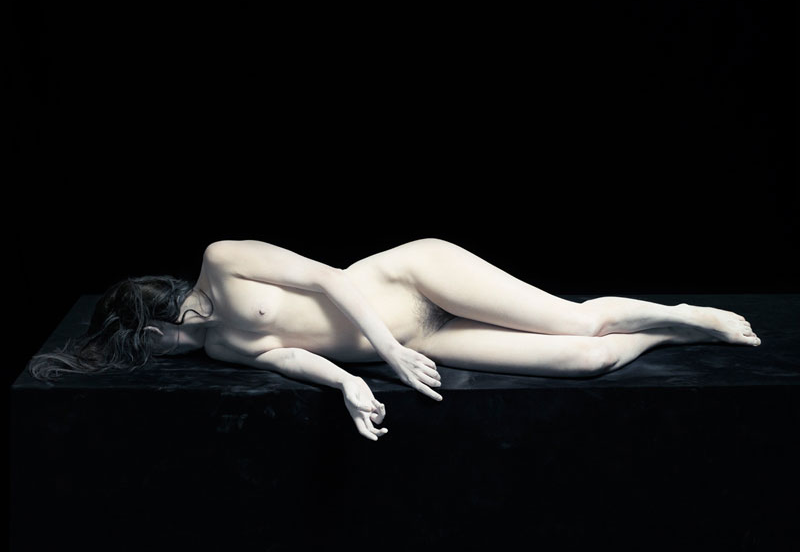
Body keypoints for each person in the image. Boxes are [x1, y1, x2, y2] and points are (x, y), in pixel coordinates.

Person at [29, 238, 760, 441]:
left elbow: (329, 280)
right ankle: (663, 334)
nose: (155, 358)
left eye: (147, 347)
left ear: (153, 322)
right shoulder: (218, 347)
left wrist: (386, 349)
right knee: (587, 359)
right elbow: (289, 356)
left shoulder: (221, 261)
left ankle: (683, 312)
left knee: (576, 320)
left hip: (413, 283)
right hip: (420, 342)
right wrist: (350, 382)